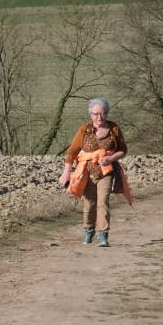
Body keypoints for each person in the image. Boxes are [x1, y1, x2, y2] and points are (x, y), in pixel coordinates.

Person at [59, 98, 130, 247]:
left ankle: (103, 234)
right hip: (86, 173)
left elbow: (123, 150)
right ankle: (88, 230)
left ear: (107, 113)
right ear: (90, 114)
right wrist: (66, 173)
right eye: (95, 114)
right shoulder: (84, 130)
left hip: (107, 172)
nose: (99, 117)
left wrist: (111, 158)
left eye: (102, 113)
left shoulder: (114, 129)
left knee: (103, 202)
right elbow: (72, 152)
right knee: (89, 203)